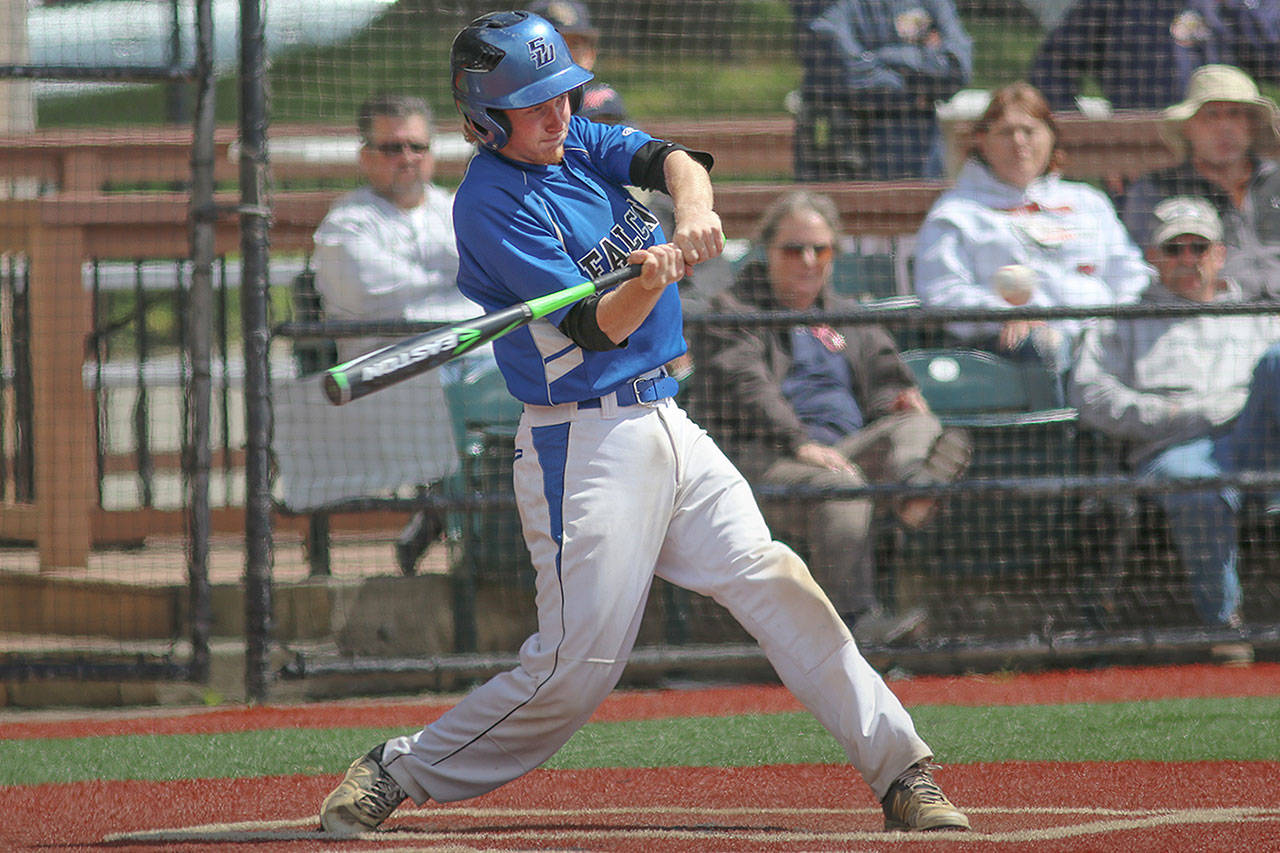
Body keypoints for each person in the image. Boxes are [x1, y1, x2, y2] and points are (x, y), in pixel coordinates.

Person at [319, 10, 969, 837]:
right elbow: (597, 328)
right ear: (487, 118)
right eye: (537, 102)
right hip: (581, 442)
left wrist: (690, 213)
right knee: (574, 669)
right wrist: (649, 278)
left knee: (776, 579)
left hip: (667, 418)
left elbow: (670, 159)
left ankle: (902, 771)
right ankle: (396, 768)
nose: (560, 112)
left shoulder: (574, 138)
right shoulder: (489, 204)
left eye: (564, 93)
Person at [686, 190, 970, 644]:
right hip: (764, 460)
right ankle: (855, 623)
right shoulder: (732, 310)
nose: (808, 260)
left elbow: (886, 378)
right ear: (767, 249)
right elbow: (747, 388)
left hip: (845, 451)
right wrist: (800, 442)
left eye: (821, 248)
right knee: (842, 486)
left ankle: (914, 487)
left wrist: (895, 400)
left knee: (921, 425)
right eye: (793, 249)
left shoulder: (846, 313)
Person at [1069, 196, 1280, 655]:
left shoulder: (1259, 315)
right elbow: (1090, 395)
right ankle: (1225, 627)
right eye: (1174, 249)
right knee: (1196, 484)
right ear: (1152, 258)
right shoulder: (1122, 321)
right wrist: (1171, 413)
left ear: (1220, 254)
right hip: (1174, 446)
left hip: (1256, 440)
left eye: (1198, 248)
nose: (1187, 258)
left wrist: (1234, 408)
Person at [311, 93, 481, 575]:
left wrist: (434, 278)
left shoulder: (460, 208)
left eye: (416, 147)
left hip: (473, 363)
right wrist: (457, 276)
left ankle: (468, 531)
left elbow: (492, 275)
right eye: (391, 148)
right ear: (366, 156)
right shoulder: (345, 224)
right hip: (389, 375)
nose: (406, 158)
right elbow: (372, 291)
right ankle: (454, 520)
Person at [913, 82, 1151, 382]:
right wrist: (1002, 314)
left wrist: (1114, 323)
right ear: (981, 140)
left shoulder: (1088, 202)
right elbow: (942, 293)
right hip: (1009, 351)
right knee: (1045, 347)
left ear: (1051, 137)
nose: (1019, 142)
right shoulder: (956, 213)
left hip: (1103, 338)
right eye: (1005, 132)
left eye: (1030, 130)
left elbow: (1129, 273)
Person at [1120, 64, 1280, 301]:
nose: (1224, 127)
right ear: (1188, 127)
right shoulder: (1156, 189)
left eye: (1235, 114)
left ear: (1251, 124)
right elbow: (1139, 268)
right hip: (1205, 318)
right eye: (1211, 116)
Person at [791, 0, 972, 180]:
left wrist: (880, 56)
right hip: (842, 161)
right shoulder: (829, 6)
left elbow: (957, 68)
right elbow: (843, 72)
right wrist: (915, 94)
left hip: (918, 162)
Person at [1029, 0, 1280, 113]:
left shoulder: (1247, 7)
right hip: (1142, 158)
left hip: (1227, 159)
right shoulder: (1113, 6)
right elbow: (1052, 66)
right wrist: (1092, 140)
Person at [525, 0, 627, 124]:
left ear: (591, 54)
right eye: (555, 44)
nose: (565, 54)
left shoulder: (597, 99)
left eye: (574, 44)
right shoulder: (514, 102)